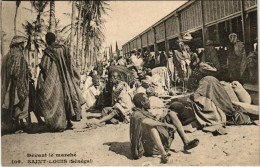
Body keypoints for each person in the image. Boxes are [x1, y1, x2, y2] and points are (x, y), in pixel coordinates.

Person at [130, 93, 199, 163]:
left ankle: (186, 142)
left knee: (171, 114)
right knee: (151, 128)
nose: (149, 101)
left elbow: (152, 120)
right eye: (147, 100)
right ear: (142, 103)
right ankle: (163, 154)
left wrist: (160, 116)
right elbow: (148, 122)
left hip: (154, 141)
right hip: (149, 148)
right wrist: (166, 124)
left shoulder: (143, 111)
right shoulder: (136, 114)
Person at [36, 32, 85, 131]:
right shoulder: (64, 49)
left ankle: (59, 123)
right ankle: (69, 121)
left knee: (57, 101)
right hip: (66, 78)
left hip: (55, 79)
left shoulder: (48, 51)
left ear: (47, 40)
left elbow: (44, 66)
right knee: (68, 98)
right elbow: (70, 63)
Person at [1, 36, 30, 134]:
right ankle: (17, 125)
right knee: (20, 102)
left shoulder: (8, 55)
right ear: (18, 44)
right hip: (18, 84)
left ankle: (17, 124)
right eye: (22, 43)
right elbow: (16, 71)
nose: (23, 46)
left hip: (11, 84)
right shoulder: (18, 55)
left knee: (13, 103)